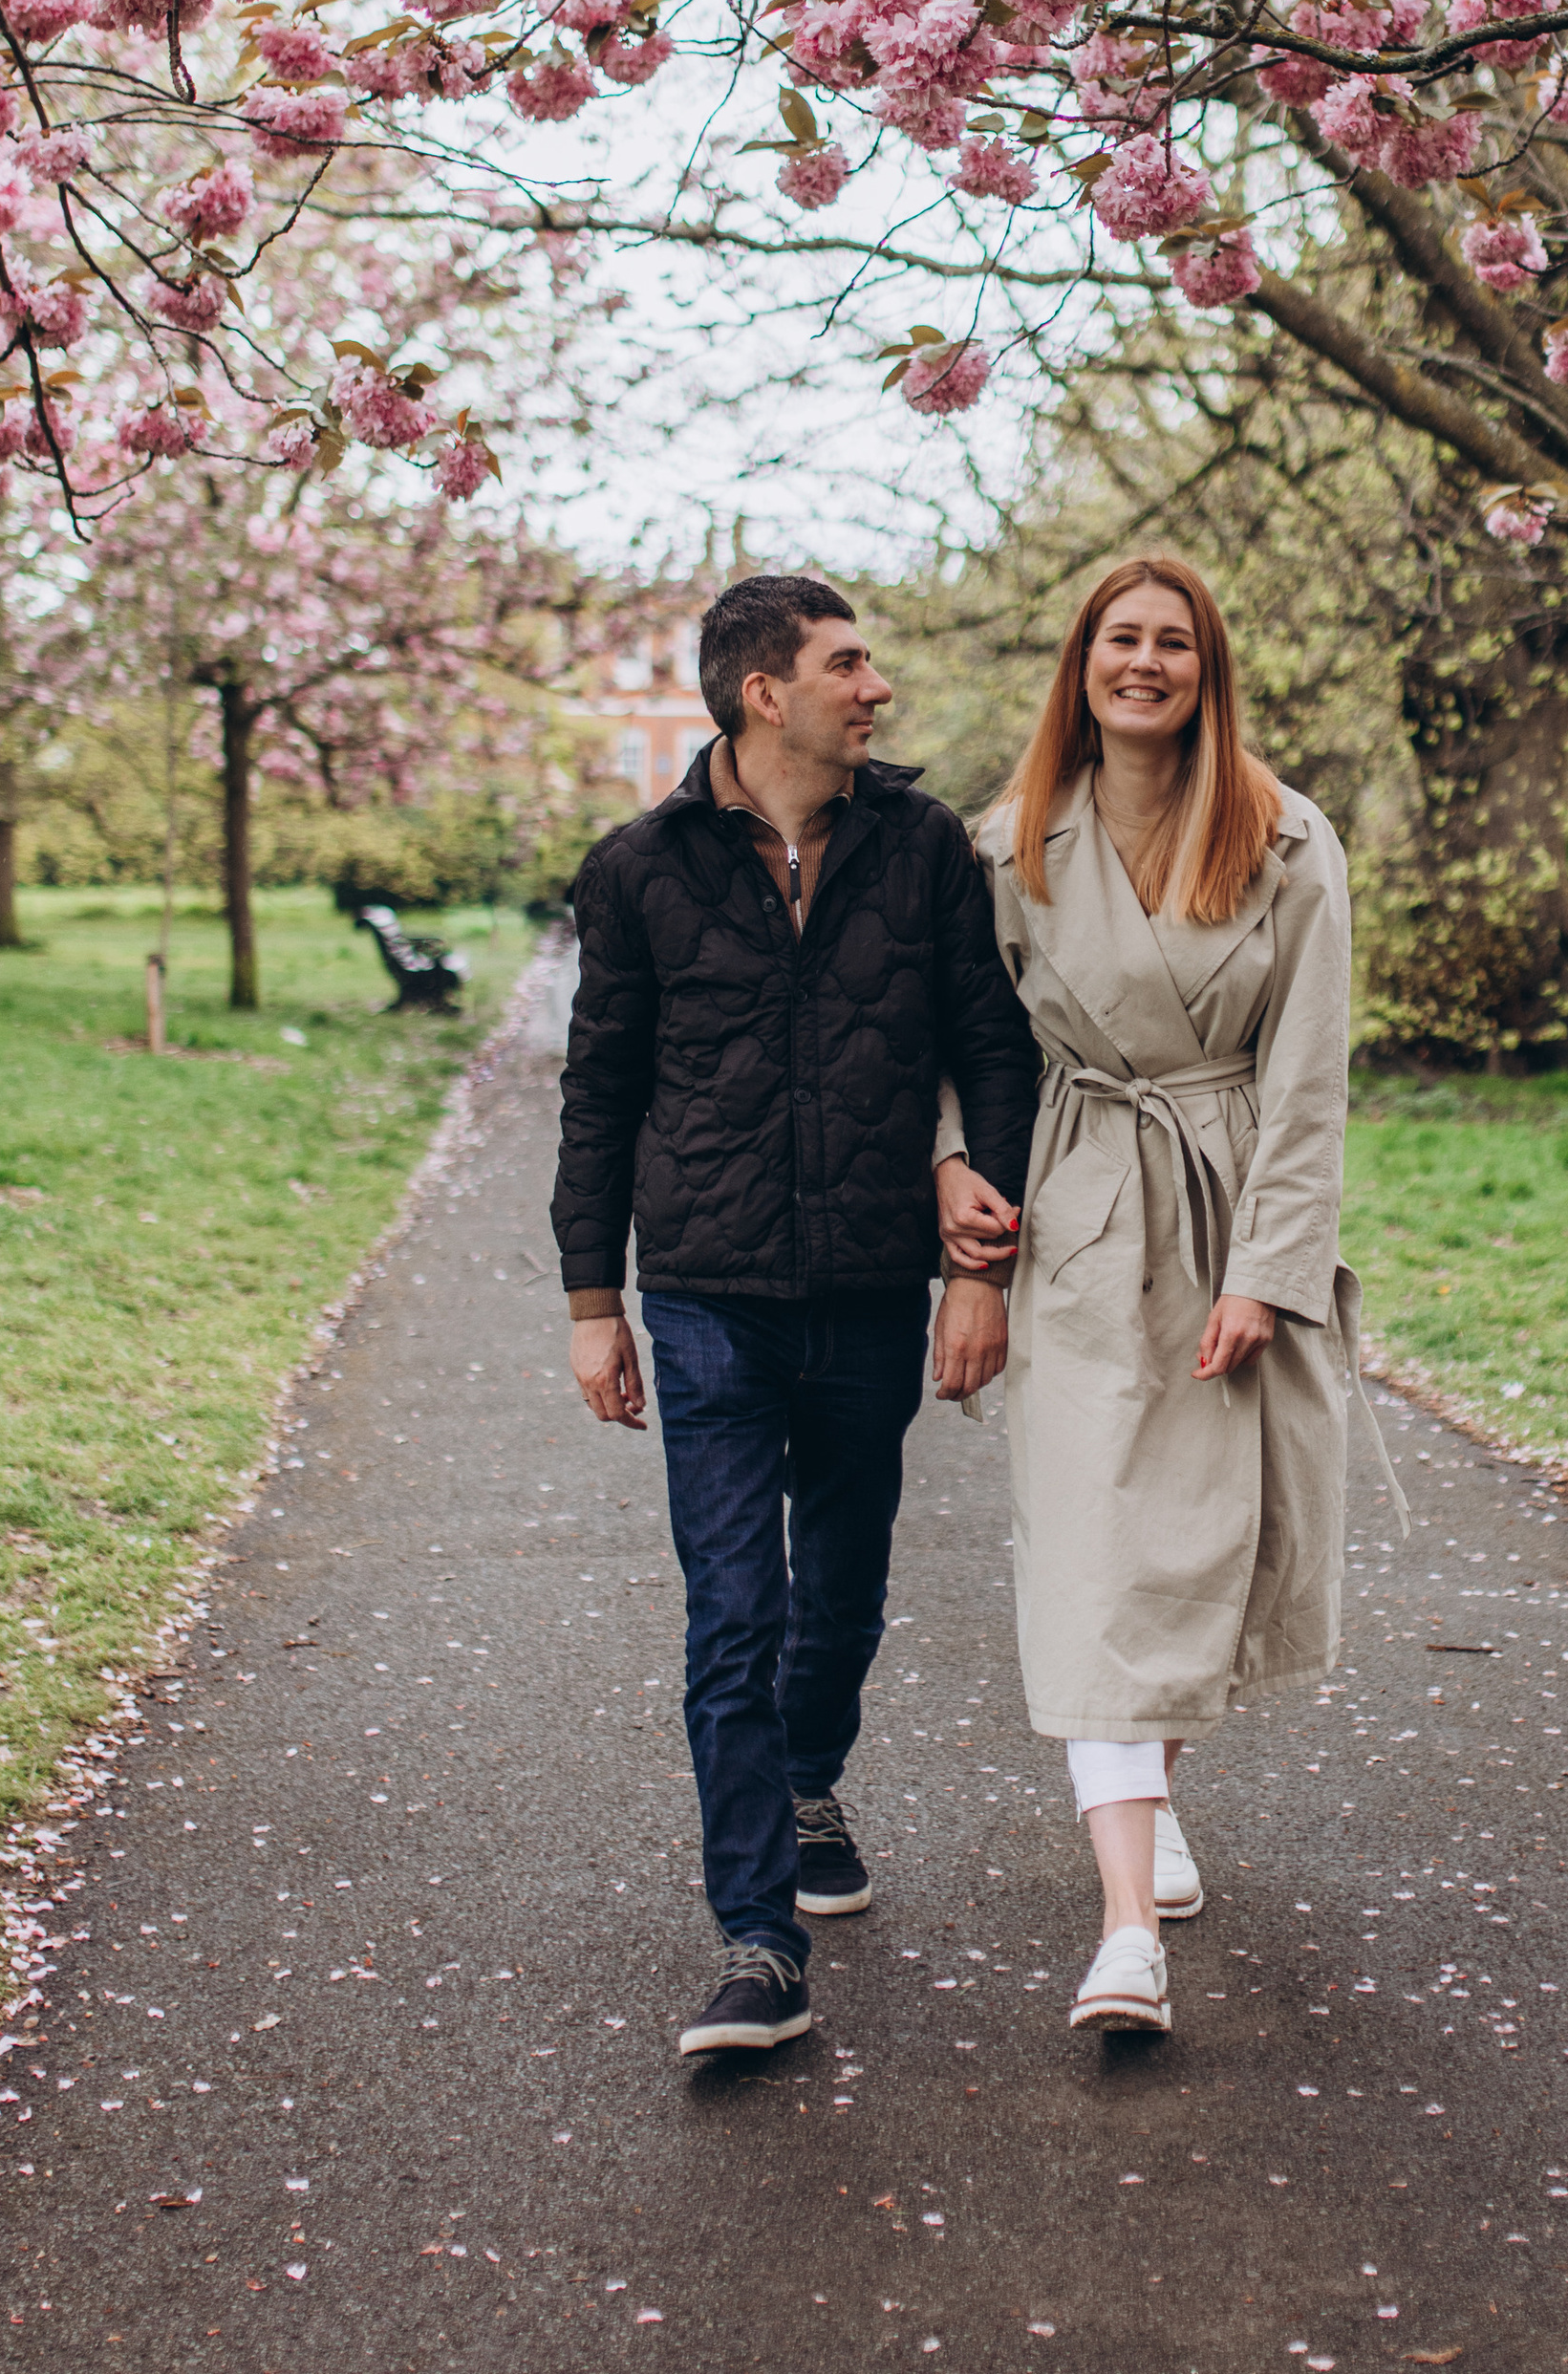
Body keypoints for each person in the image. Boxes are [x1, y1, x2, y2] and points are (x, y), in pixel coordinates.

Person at [553, 572, 1038, 2064]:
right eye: (848, 663)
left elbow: (994, 1051)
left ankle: (810, 1772)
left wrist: (979, 1267)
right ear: (767, 691)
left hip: (876, 1283)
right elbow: (600, 1092)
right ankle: (758, 1940)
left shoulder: (924, 844)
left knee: (837, 1587)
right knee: (732, 1610)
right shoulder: (638, 868)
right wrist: (593, 1304)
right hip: (704, 1293)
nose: (874, 686)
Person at [939, 553, 1403, 2038]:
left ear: (1209, 668)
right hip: (1078, 1207)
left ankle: (1150, 1789)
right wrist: (955, 1173)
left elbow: (1309, 1073)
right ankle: (1126, 1929)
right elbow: (967, 1042)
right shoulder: (1009, 844)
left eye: (1173, 643)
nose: (1145, 663)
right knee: (1092, 1549)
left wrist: (1270, 1273)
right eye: (1120, 639)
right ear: (1081, 661)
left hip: (1228, 1201)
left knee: (1195, 1545)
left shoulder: (1286, 837)